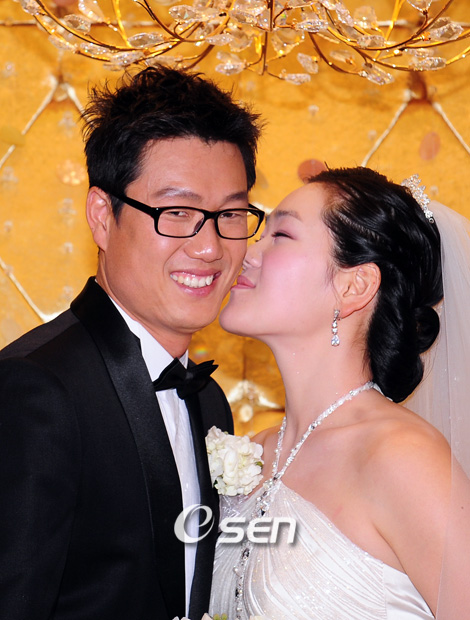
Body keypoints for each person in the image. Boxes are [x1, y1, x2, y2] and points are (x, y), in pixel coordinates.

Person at [0, 65, 264, 620]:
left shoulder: (208, 400)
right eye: (177, 212)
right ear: (102, 216)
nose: (210, 248)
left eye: (230, 214)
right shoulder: (35, 389)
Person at [209, 166, 470, 619]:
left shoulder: (401, 458)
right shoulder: (251, 456)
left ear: (354, 286)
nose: (246, 254)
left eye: (281, 236)